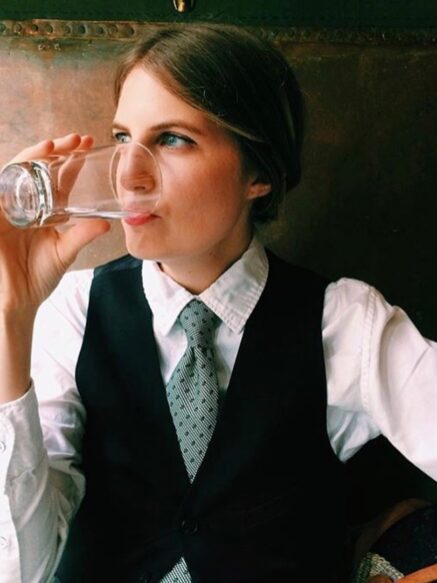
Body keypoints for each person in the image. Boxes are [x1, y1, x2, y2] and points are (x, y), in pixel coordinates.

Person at [0, 23, 436, 583]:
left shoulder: (345, 321)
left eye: (172, 139)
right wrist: (10, 318)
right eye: (122, 136)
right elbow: (21, 569)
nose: (128, 175)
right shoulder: (71, 310)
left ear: (258, 172)